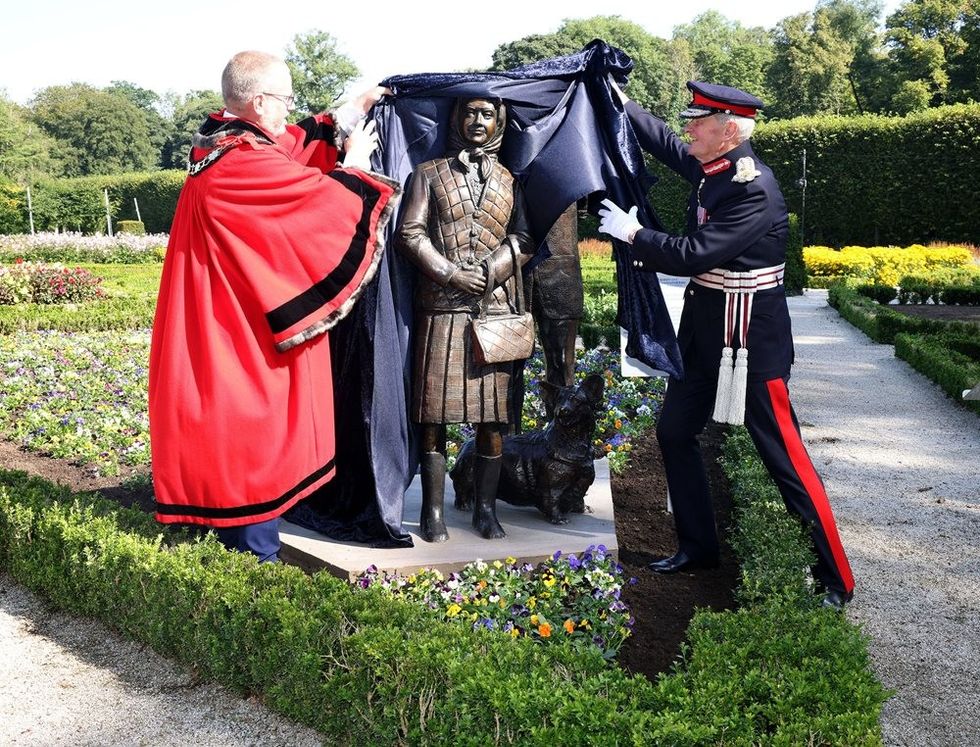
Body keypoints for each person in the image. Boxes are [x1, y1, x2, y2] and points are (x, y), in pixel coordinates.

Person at [598, 80, 855, 610]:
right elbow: (669, 146)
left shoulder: (754, 186)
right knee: (674, 432)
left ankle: (836, 577)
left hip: (749, 342)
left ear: (729, 131)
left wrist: (634, 234)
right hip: (704, 333)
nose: (689, 127)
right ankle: (698, 548)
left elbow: (695, 252)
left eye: (700, 121)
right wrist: (623, 103)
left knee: (784, 457)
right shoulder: (716, 168)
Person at [149, 50, 399, 562]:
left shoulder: (224, 141)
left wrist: (350, 110)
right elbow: (310, 199)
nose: (290, 109)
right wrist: (355, 169)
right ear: (259, 100)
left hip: (218, 312)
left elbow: (285, 148)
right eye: (284, 99)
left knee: (232, 434)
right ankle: (253, 563)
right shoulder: (239, 164)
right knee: (250, 433)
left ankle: (231, 552)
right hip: (233, 329)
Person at [396, 97, 534, 542]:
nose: (478, 121)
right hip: (440, 309)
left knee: (492, 419)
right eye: (470, 113)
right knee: (433, 414)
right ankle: (432, 512)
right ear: (457, 118)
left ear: (499, 121)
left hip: (491, 313)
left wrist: (493, 272)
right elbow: (409, 233)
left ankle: (485, 510)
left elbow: (524, 237)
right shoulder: (428, 173)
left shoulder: (511, 179)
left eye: (487, 114)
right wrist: (452, 273)